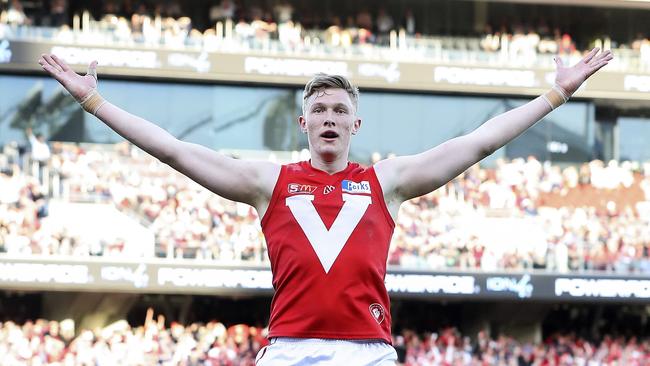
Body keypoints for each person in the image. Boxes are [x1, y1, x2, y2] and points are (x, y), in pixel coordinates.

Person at [38, 47, 612, 365]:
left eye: (340, 110)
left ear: (355, 123)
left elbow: (478, 142)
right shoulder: (269, 182)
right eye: (321, 111)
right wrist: (94, 102)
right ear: (304, 122)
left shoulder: (387, 181)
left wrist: (557, 94)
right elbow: (173, 150)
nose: (331, 119)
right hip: (289, 350)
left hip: (367, 352)